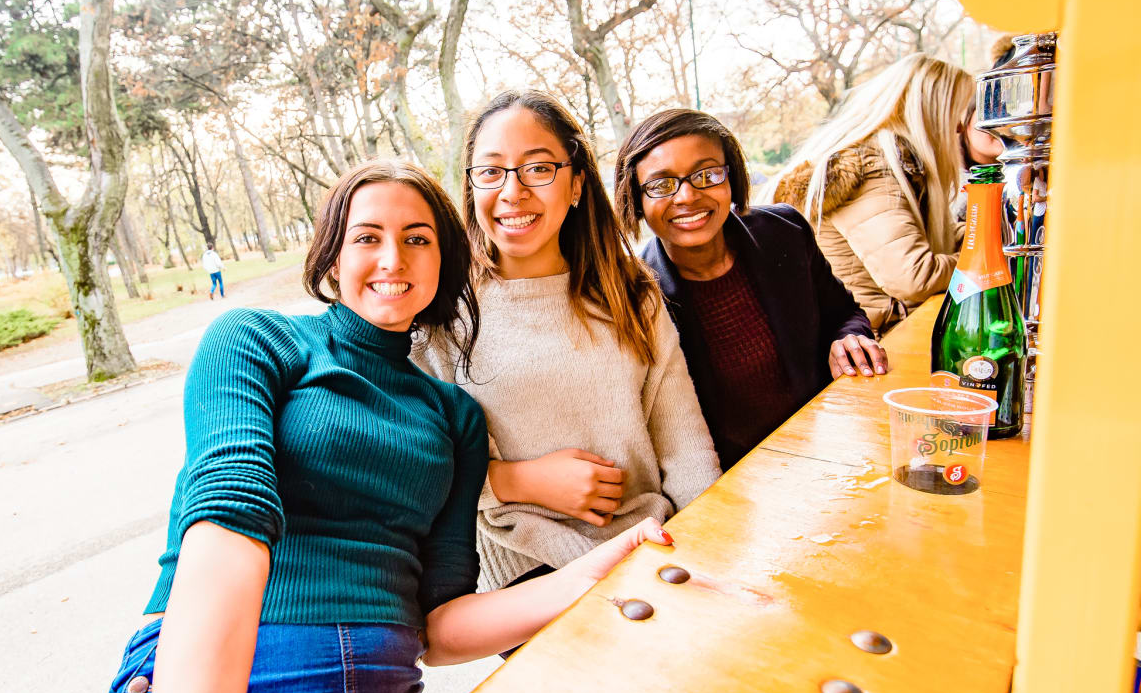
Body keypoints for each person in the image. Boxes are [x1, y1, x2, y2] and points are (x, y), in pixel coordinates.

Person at [91, 160, 674, 693]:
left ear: (444, 263)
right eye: (367, 236)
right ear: (332, 257)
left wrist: (593, 573)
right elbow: (228, 525)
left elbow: (442, 629)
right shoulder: (257, 339)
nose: (393, 257)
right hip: (235, 692)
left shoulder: (455, 417)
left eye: (417, 238)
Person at [413, 90, 720, 596]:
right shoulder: (441, 314)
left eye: (537, 169)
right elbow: (419, 473)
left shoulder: (632, 295)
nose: (511, 192)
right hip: (524, 575)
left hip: (649, 547)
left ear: (576, 183)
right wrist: (518, 481)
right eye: (491, 171)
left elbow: (684, 449)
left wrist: (709, 547)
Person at [614, 108, 886, 470]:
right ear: (636, 199)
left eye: (706, 174)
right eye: (661, 184)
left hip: (829, 445)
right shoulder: (633, 291)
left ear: (732, 177)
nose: (687, 196)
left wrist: (849, 338)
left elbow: (844, 313)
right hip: (733, 482)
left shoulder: (783, 231)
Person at [766, 54, 974, 334]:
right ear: (930, 115)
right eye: (956, 116)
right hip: (876, 341)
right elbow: (914, 277)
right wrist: (980, 257)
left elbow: (917, 235)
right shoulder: (873, 169)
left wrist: (975, 236)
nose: (959, 129)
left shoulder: (895, 165)